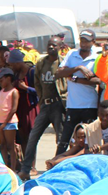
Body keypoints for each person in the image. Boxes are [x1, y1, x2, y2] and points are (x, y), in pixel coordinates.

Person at [23, 37, 66, 173]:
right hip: (45, 105)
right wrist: (41, 100)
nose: (51, 47)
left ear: (60, 47)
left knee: (60, 138)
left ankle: (57, 166)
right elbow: (37, 82)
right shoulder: (42, 62)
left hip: (58, 104)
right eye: (49, 45)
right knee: (33, 136)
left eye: (54, 45)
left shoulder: (63, 62)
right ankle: (26, 168)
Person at [56, 29, 100, 158]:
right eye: (82, 40)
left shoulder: (97, 57)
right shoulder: (72, 54)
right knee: (65, 139)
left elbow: (98, 80)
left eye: (87, 41)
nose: (84, 43)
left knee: (88, 139)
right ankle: (56, 165)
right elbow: (59, 73)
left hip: (89, 104)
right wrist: (78, 68)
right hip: (73, 104)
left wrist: (75, 78)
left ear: (93, 42)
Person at [0, 68, 20, 172]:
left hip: (9, 123)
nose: (0, 83)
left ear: (9, 78)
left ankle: (13, 168)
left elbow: (13, 109)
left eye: (1, 80)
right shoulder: (1, 92)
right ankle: (5, 167)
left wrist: (4, 124)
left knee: (10, 146)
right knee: (2, 145)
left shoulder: (14, 92)